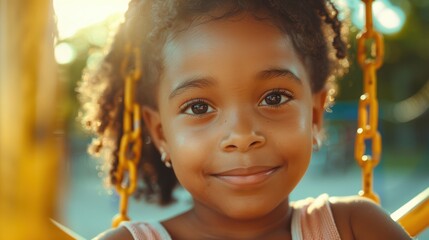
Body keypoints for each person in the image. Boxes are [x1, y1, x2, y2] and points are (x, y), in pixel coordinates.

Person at [79, 0, 411, 239]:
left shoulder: (354, 228)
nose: (241, 135)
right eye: (198, 107)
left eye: (274, 98)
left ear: (314, 115)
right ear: (162, 133)